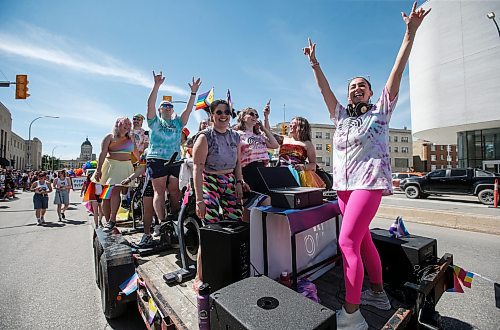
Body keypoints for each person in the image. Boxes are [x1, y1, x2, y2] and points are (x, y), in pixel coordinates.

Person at [303, 3, 430, 328]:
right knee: (361, 241)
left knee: (346, 243)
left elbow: (397, 71)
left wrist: (409, 34)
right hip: (344, 187)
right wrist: (315, 63)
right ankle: (376, 292)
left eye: (361, 85)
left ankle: (351, 314)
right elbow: (323, 89)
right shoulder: (341, 117)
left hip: (368, 184)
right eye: (352, 86)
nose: (355, 88)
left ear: (372, 92)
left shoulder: (381, 112)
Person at [192, 99, 245, 289]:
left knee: (234, 224)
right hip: (210, 181)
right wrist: (199, 200)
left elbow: (238, 162)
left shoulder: (236, 137)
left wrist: (239, 182)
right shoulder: (205, 137)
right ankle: (200, 276)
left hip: (229, 180)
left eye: (227, 112)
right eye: (219, 112)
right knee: (211, 229)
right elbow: (197, 169)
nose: (223, 115)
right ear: (212, 115)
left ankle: (228, 270)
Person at [146, 71, 201, 238]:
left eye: (170, 106)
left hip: (175, 160)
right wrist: (156, 86)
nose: (168, 108)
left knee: (175, 191)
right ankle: (163, 222)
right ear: (160, 109)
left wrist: (193, 93)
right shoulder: (154, 121)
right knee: (160, 191)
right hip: (157, 158)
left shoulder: (178, 123)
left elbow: (189, 109)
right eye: (165, 106)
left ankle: (176, 216)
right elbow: (150, 103)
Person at [93, 117, 135, 232]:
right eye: (124, 124)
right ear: (118, 125)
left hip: (125, 166)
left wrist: (141, 165)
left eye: (128, 124)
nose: (127, 126)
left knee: (115, 190)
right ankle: (108, 222)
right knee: (106, 196)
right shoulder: (109, 137)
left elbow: (136, 153)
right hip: (111, 167)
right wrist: (98, 169)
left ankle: (112, 220)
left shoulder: (131, 138)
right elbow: (102, 154)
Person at [121, 149, 155, 247]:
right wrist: (129, 179)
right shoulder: (147, 151)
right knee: (148, 209)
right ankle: (147, 234)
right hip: (150, 182)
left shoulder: (171, 144)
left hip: (168, 182)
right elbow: (141, 168)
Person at [277, 116, 325, 188]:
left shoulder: (308, 144)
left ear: (300, 127)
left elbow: (313, 165)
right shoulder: (284, 139)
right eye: (290, 123)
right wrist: (266, 117)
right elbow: (267, 134)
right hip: (280, 172)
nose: (290, 125)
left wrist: (303, 167)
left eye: (293, 123)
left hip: (297, 175)